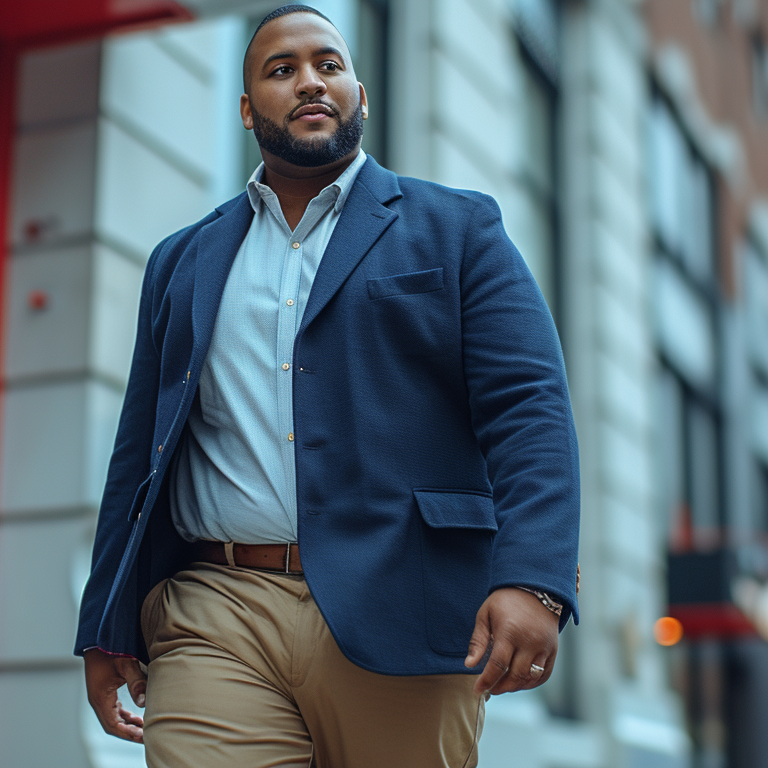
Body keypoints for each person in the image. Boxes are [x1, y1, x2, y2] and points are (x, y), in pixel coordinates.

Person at [77, 5, 580, 767]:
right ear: (247, 109)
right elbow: (138, 451)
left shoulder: (458, 229)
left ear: (360, 94)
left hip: (404, 602)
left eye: (329, 64)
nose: (310, 81)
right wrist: (105, 623)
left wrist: (534, 579)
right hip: (216, 608)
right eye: (281, 70)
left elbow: (529, 410)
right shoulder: (182, 260)